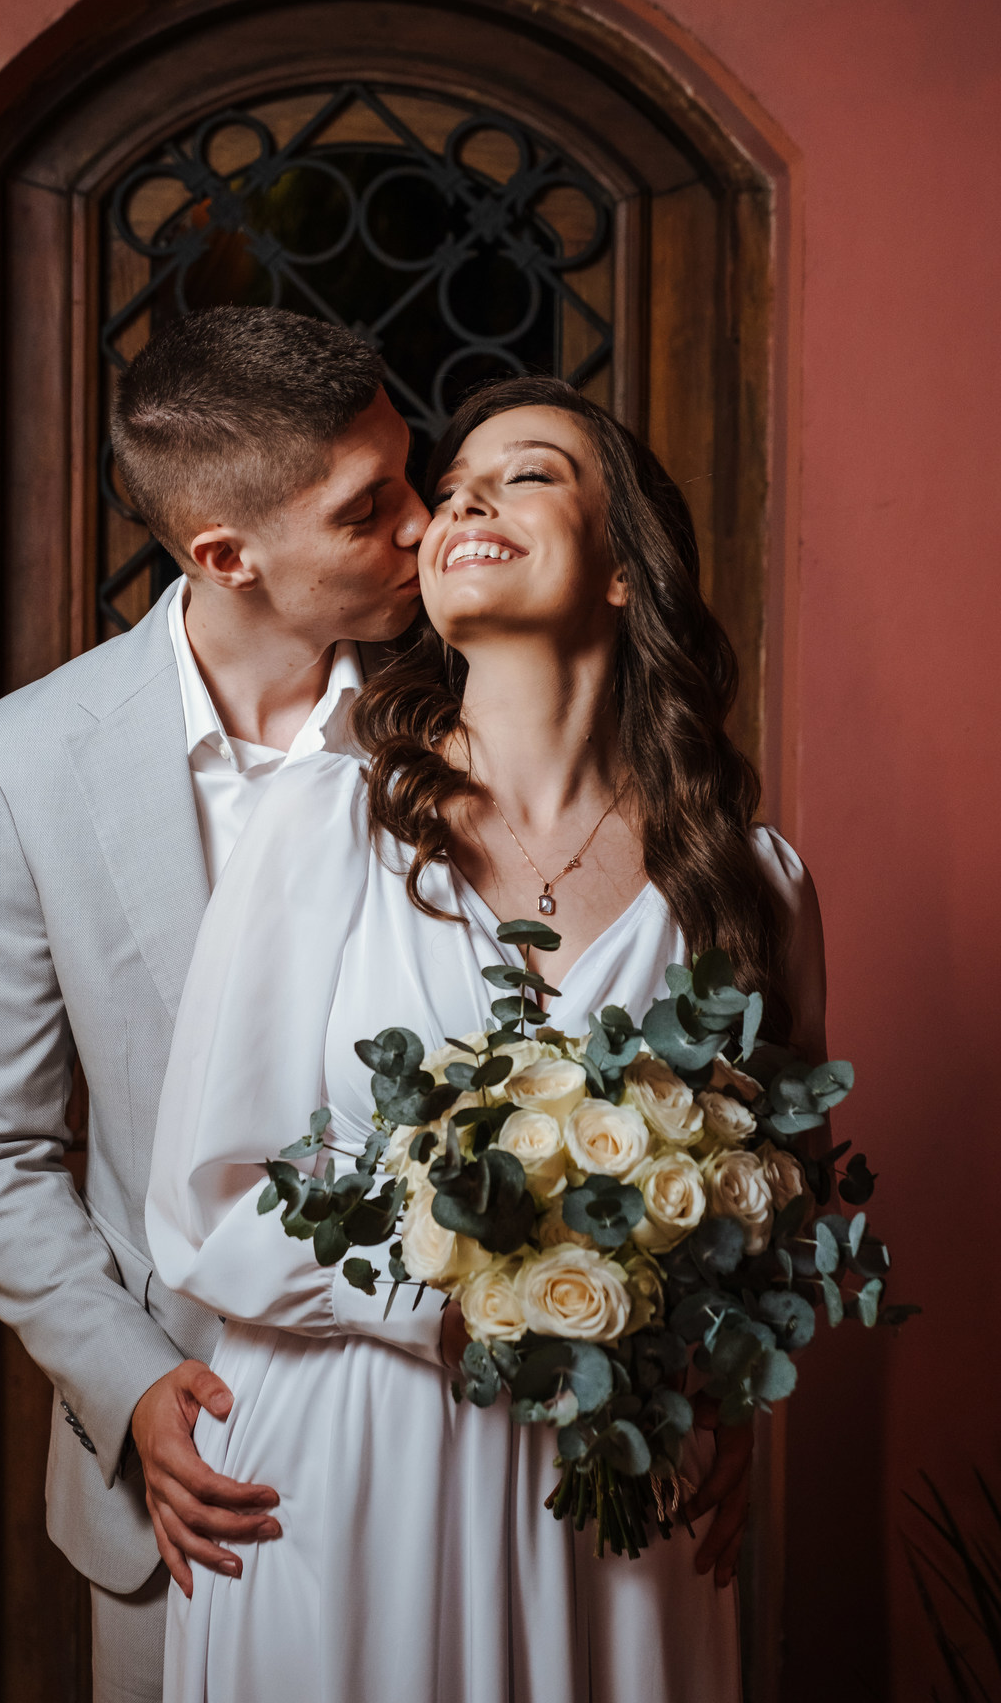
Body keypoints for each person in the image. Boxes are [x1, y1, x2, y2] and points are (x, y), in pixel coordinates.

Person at [147, 375, 827, 1702]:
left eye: (527, 474)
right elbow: (211, 1193)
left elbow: (776, 1211)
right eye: (450, 487)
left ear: (628, 570)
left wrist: (726, 1387)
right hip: (355, 1455)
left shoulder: (756, 884)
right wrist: (465, 1297)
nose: (462, 499)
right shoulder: (327, 826)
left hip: (620, 1476)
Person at [0, 305, 429, 1701]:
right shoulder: (29, 761)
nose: (427, 525)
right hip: (185, 1475)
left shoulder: (479, 716)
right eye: (369, 509)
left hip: (458, 1432)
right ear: (225, 555)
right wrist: (133, 1384)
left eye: (411, 474)